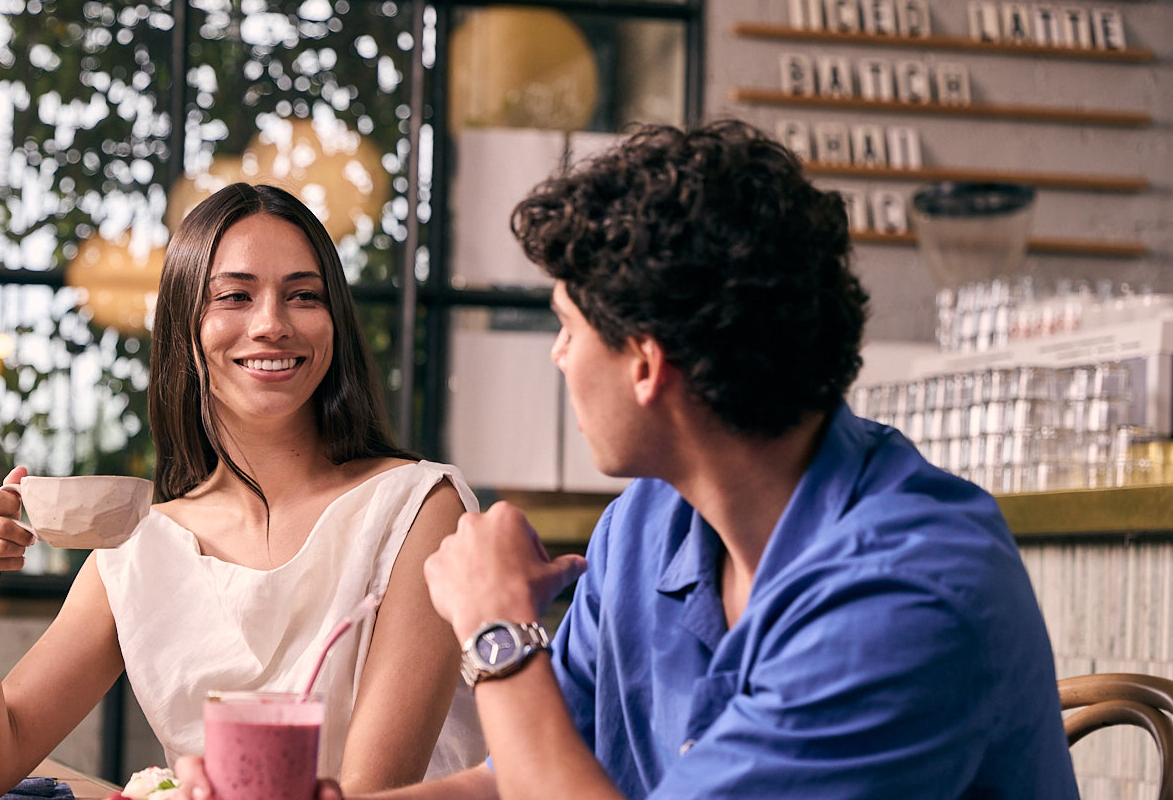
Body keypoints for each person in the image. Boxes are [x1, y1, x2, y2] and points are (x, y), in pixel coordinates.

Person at [178, 121, 1080, 799]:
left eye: (567, 330)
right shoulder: (650, 527)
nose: (559, 358)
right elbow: (524, 777)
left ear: (645, 362)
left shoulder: (905, 597)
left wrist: (497, 633)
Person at [0, 183, 488, 800]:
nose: (272, 324)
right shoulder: (141, 545)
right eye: (235, 296)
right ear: (186, 328)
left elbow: (368, 791)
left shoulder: (417, 509)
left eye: (304, 296)